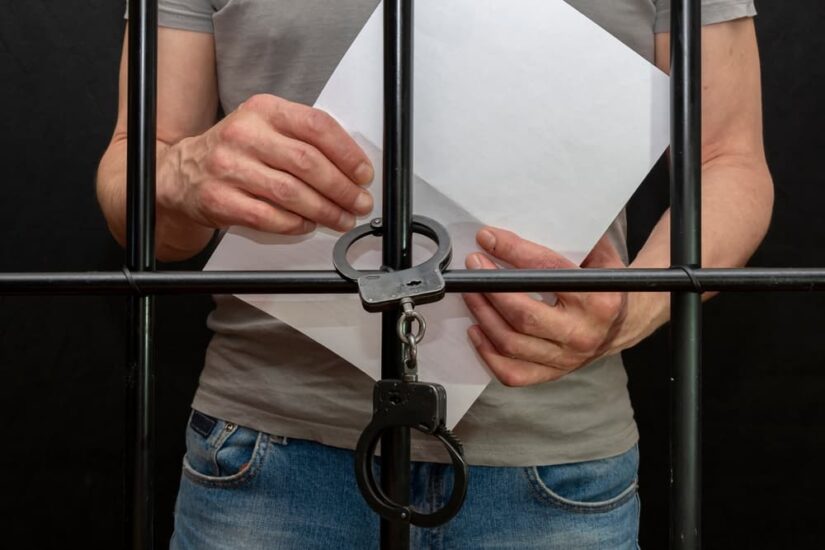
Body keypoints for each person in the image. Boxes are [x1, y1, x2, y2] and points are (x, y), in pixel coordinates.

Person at [97, 0, 773, 548]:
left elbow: (728, 160)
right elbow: (141, 196)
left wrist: (634, 306)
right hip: (264, 448)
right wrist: (181, 174)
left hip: (552, 456)